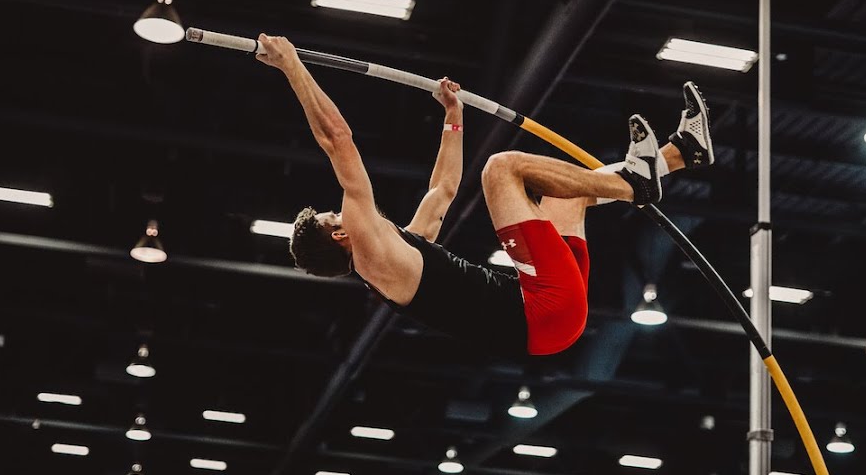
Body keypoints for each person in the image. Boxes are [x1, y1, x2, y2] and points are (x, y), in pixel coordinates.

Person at [256, 33, 714, 359]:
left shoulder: (394, 256)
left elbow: (443, 189)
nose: (339, 208)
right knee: (503, 168)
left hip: (552, 319)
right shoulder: (368, 247)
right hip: (542, 312)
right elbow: (337, 138)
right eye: (331, 214)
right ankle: (636, 184)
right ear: (338, 234)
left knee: (564, 197)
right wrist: (291, 65)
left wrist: (451, 117)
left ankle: (681, 153)